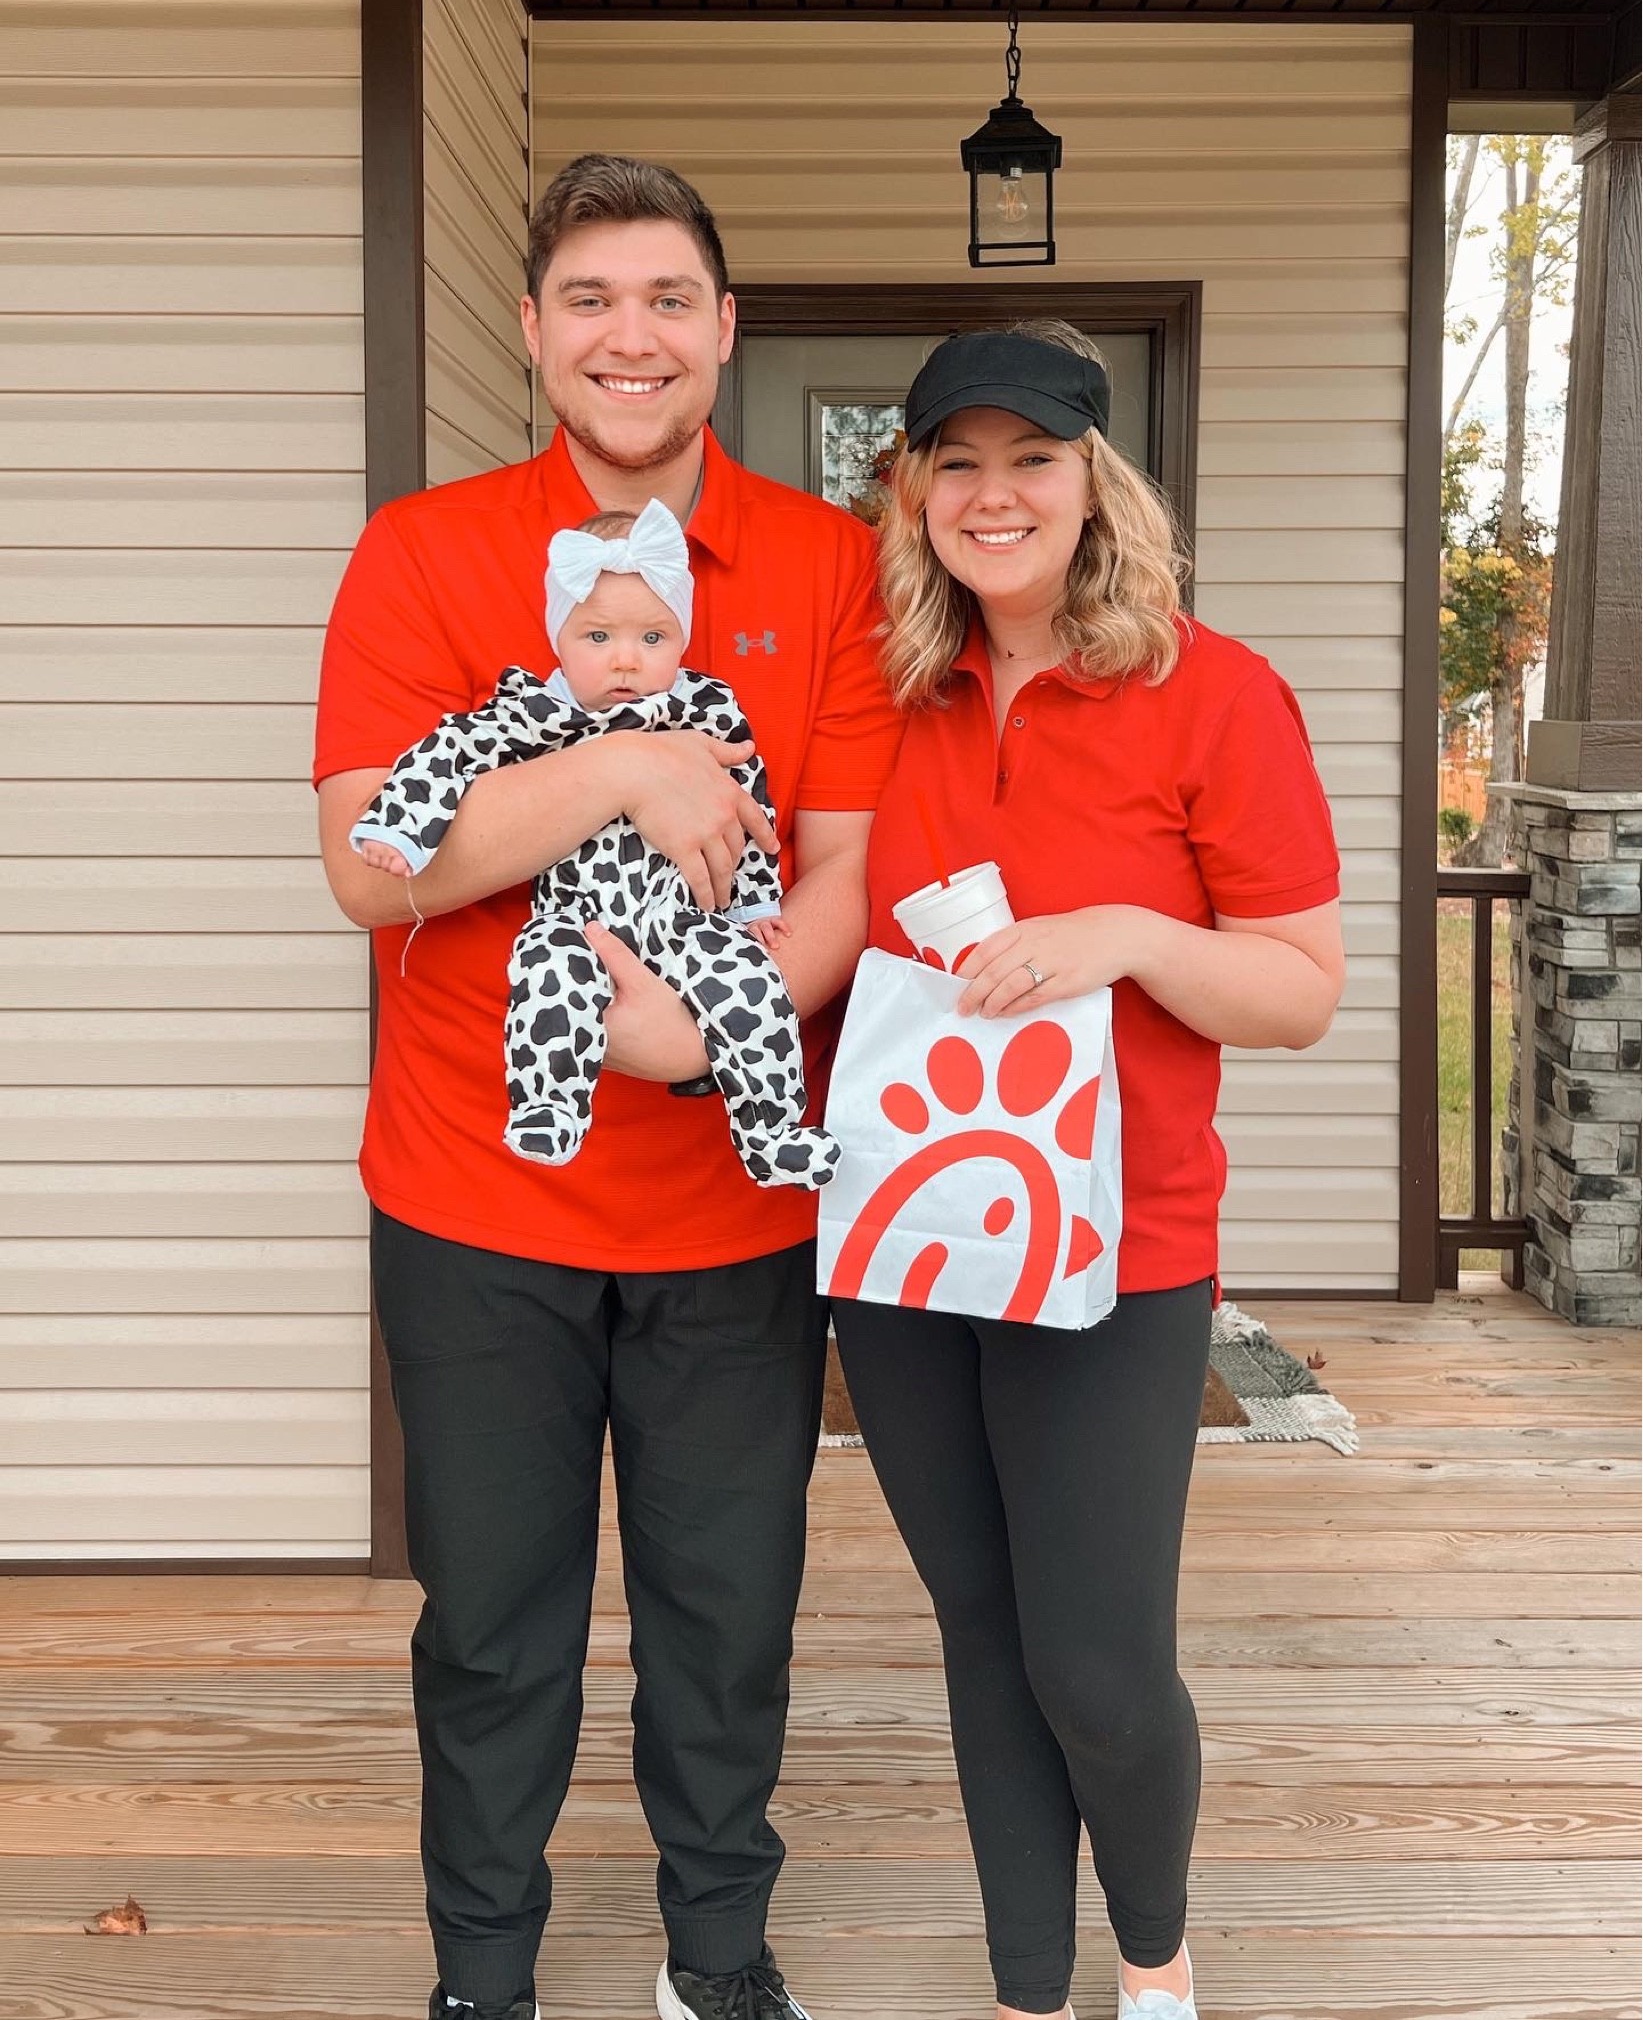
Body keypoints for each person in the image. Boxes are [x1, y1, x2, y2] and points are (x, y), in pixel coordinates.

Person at [313, 153, 902, 2020]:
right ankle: (482, 1974)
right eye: (588, 300)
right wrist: (622, 767)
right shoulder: (423, 551)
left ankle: (714, 1956)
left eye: (664, 299)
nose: (626, 335)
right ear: (533, 334)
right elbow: (366, 860)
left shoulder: (825, 568)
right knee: (492, 1626)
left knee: (725, 1622)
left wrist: (711, 1029)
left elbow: (851, 872)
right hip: (472, 1192)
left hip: (736, 1201)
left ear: (722, 332)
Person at [830, 322, 1345, 2020]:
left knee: (1095, 1660)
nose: (992, 494)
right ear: (908, 490)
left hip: (1115, 1247)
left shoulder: (1210, 689)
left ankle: (1152, 1953)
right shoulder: (872, 695)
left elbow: (1295, 987)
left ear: (1091, 482)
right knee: (982, 1629)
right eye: (954, 461)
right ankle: (1025, 1984)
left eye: (1028, 458)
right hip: (905, 1244)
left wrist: (1123, 934)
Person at [349, 500, 837, 1189]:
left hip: (684, 919)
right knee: (548, 981)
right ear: (559, 637)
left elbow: (746, 808)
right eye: (598, 637)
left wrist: (750, 901)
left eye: (653, 638)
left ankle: (772, 1131)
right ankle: (548, 1107)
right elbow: (450, 750)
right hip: (576, 919)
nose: (627, 661)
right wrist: (400, 827)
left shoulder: (706, 708)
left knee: (753, 989)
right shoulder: (538, 710)